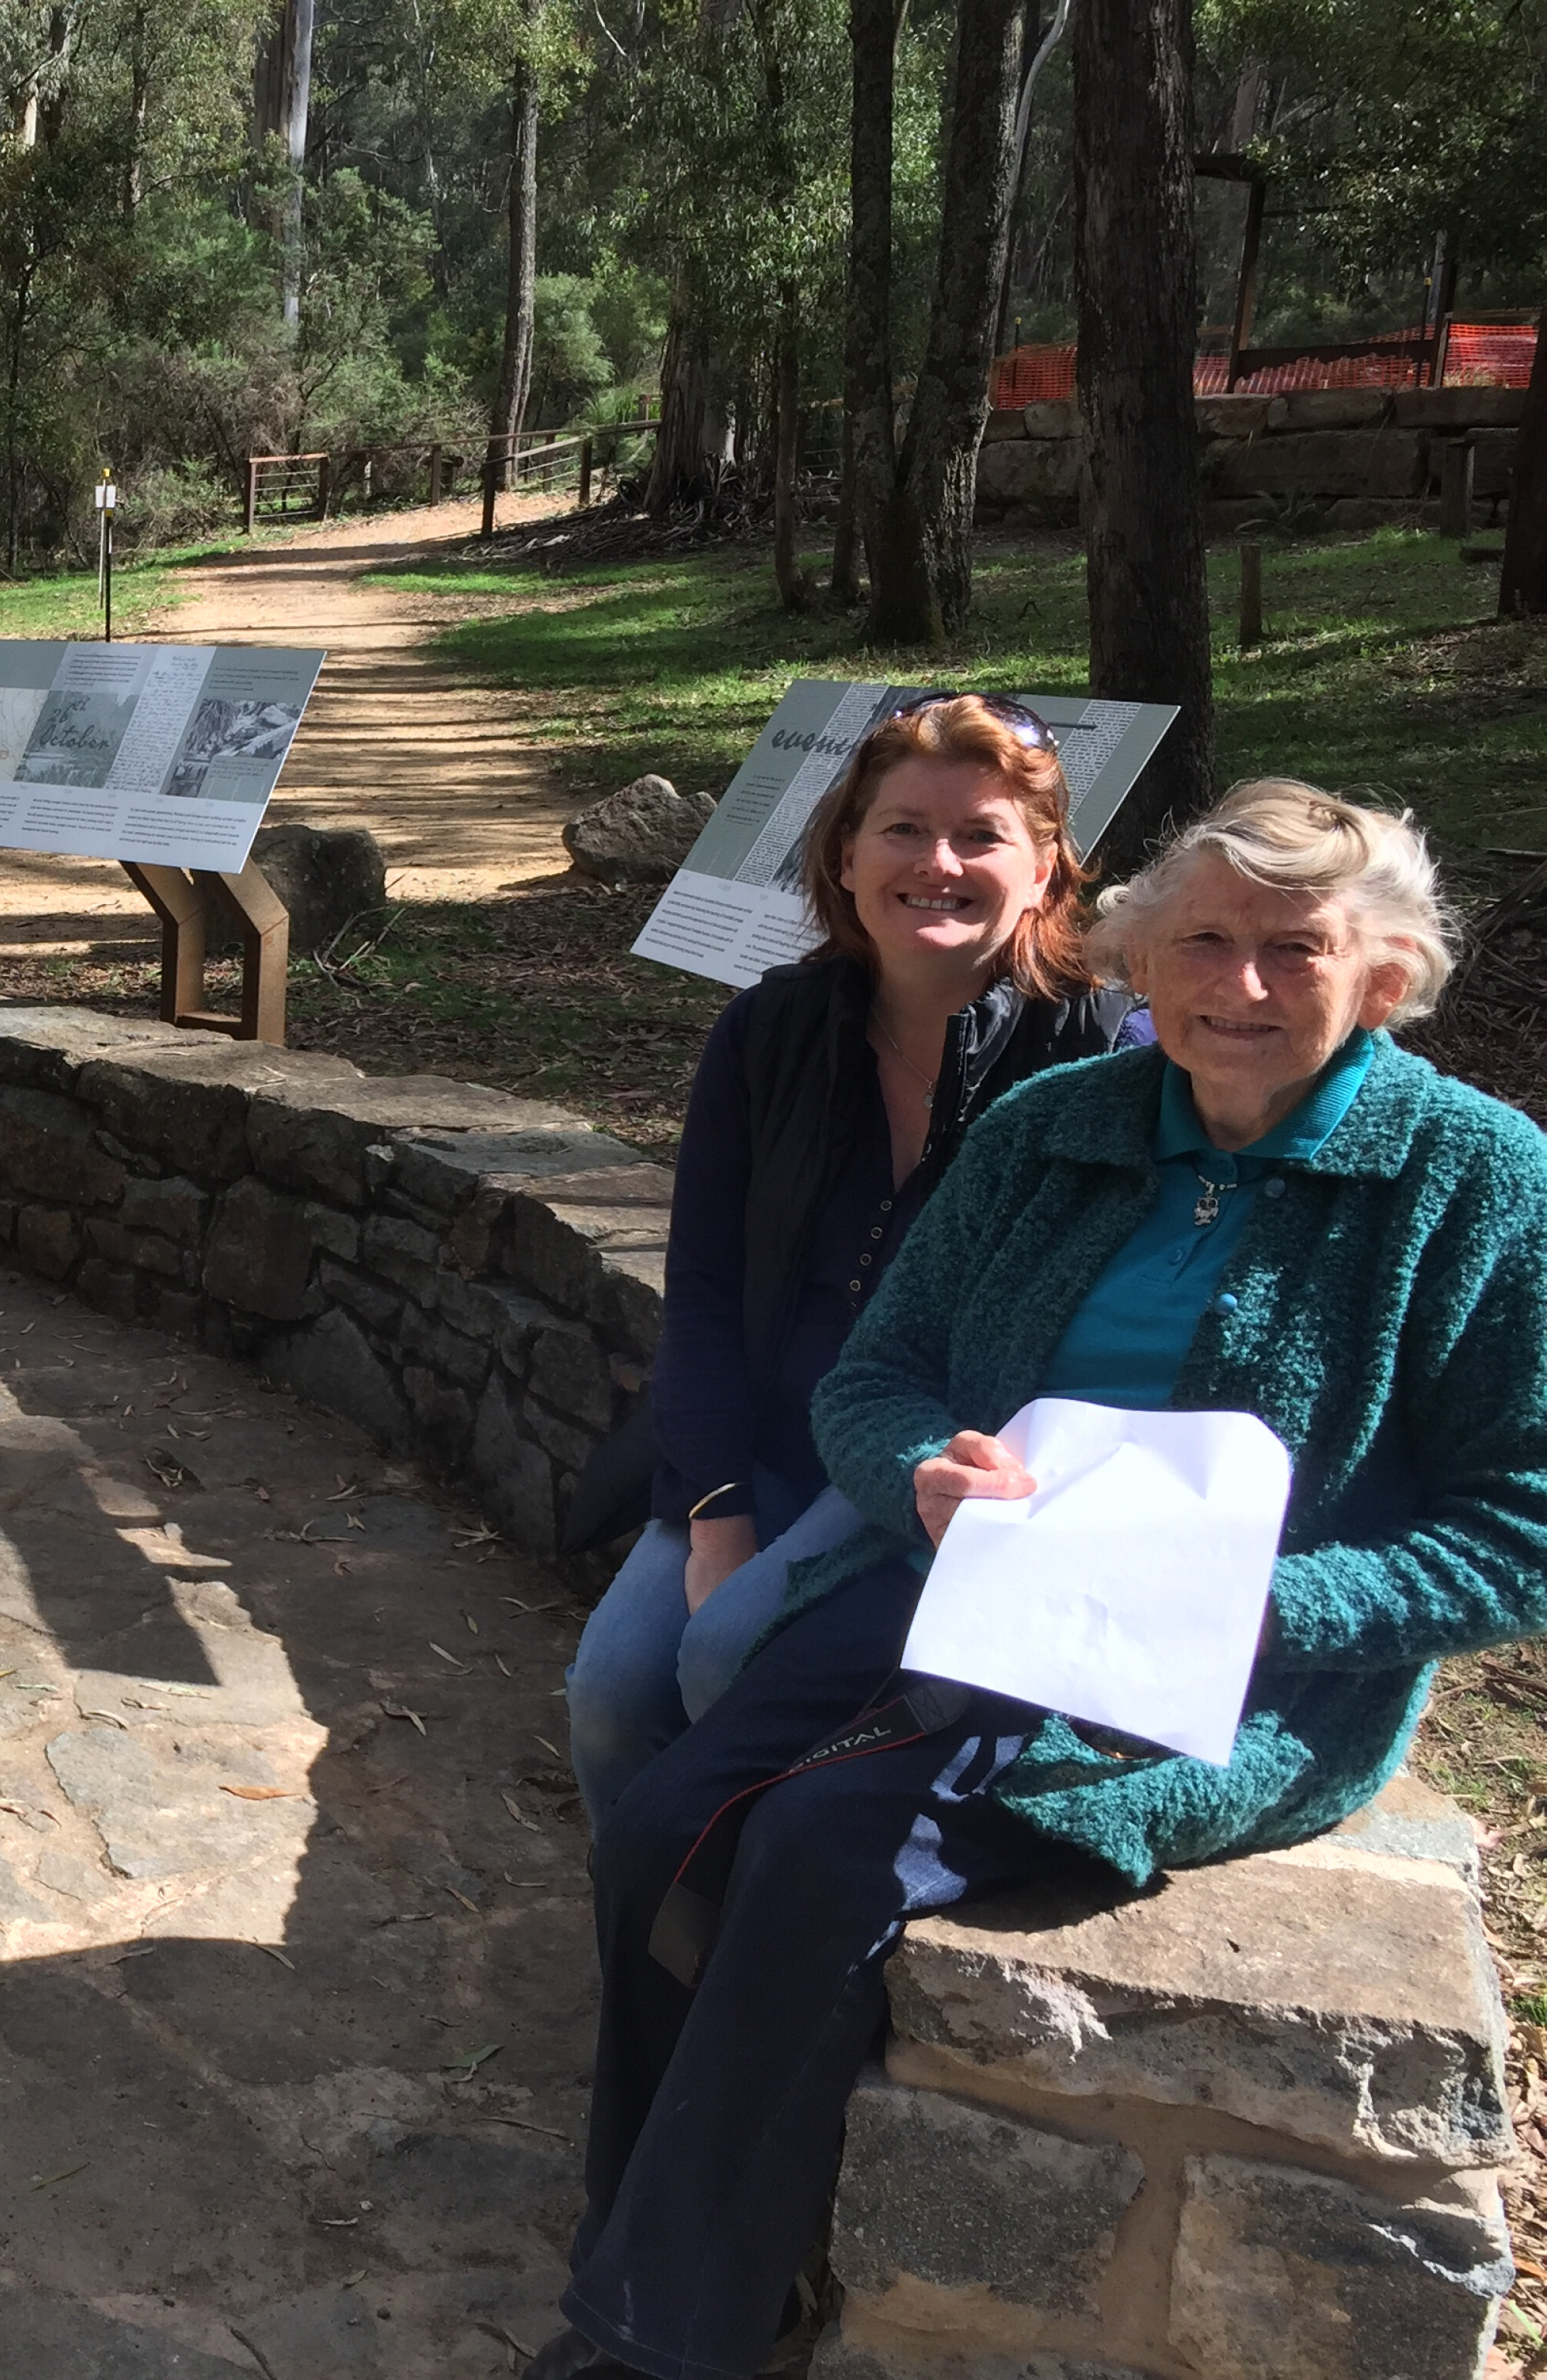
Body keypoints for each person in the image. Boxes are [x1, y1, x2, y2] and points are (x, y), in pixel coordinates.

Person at [528, 782, 1547, 2380]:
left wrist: (1258, 1600)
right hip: (957, 1588)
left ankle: (665, 2332)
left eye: (1296, 948)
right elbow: (872, 1382)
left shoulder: (1472, 1181)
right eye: (1201, 943)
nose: (1242, 986)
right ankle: (670, 2229)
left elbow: (1522, 1524)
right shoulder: (1048, 1130)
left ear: (1387, 973)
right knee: (661, 1825)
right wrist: (919, 1472)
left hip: (1225, 1671)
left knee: (816, 1844)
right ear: (1137, 964)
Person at [565, 694, 1143, 1833]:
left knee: (727, 1657)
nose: (939, 863)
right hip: (761, 1450)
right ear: (844, 853)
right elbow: (708, 1297)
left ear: (1045, 872)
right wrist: (718, 1512)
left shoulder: (1103, 1059)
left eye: (981, 836)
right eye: (903, 829)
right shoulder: (767, 1032)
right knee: (611, 1693)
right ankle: (642, 1944)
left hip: (936, 1463)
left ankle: (742, 1954)